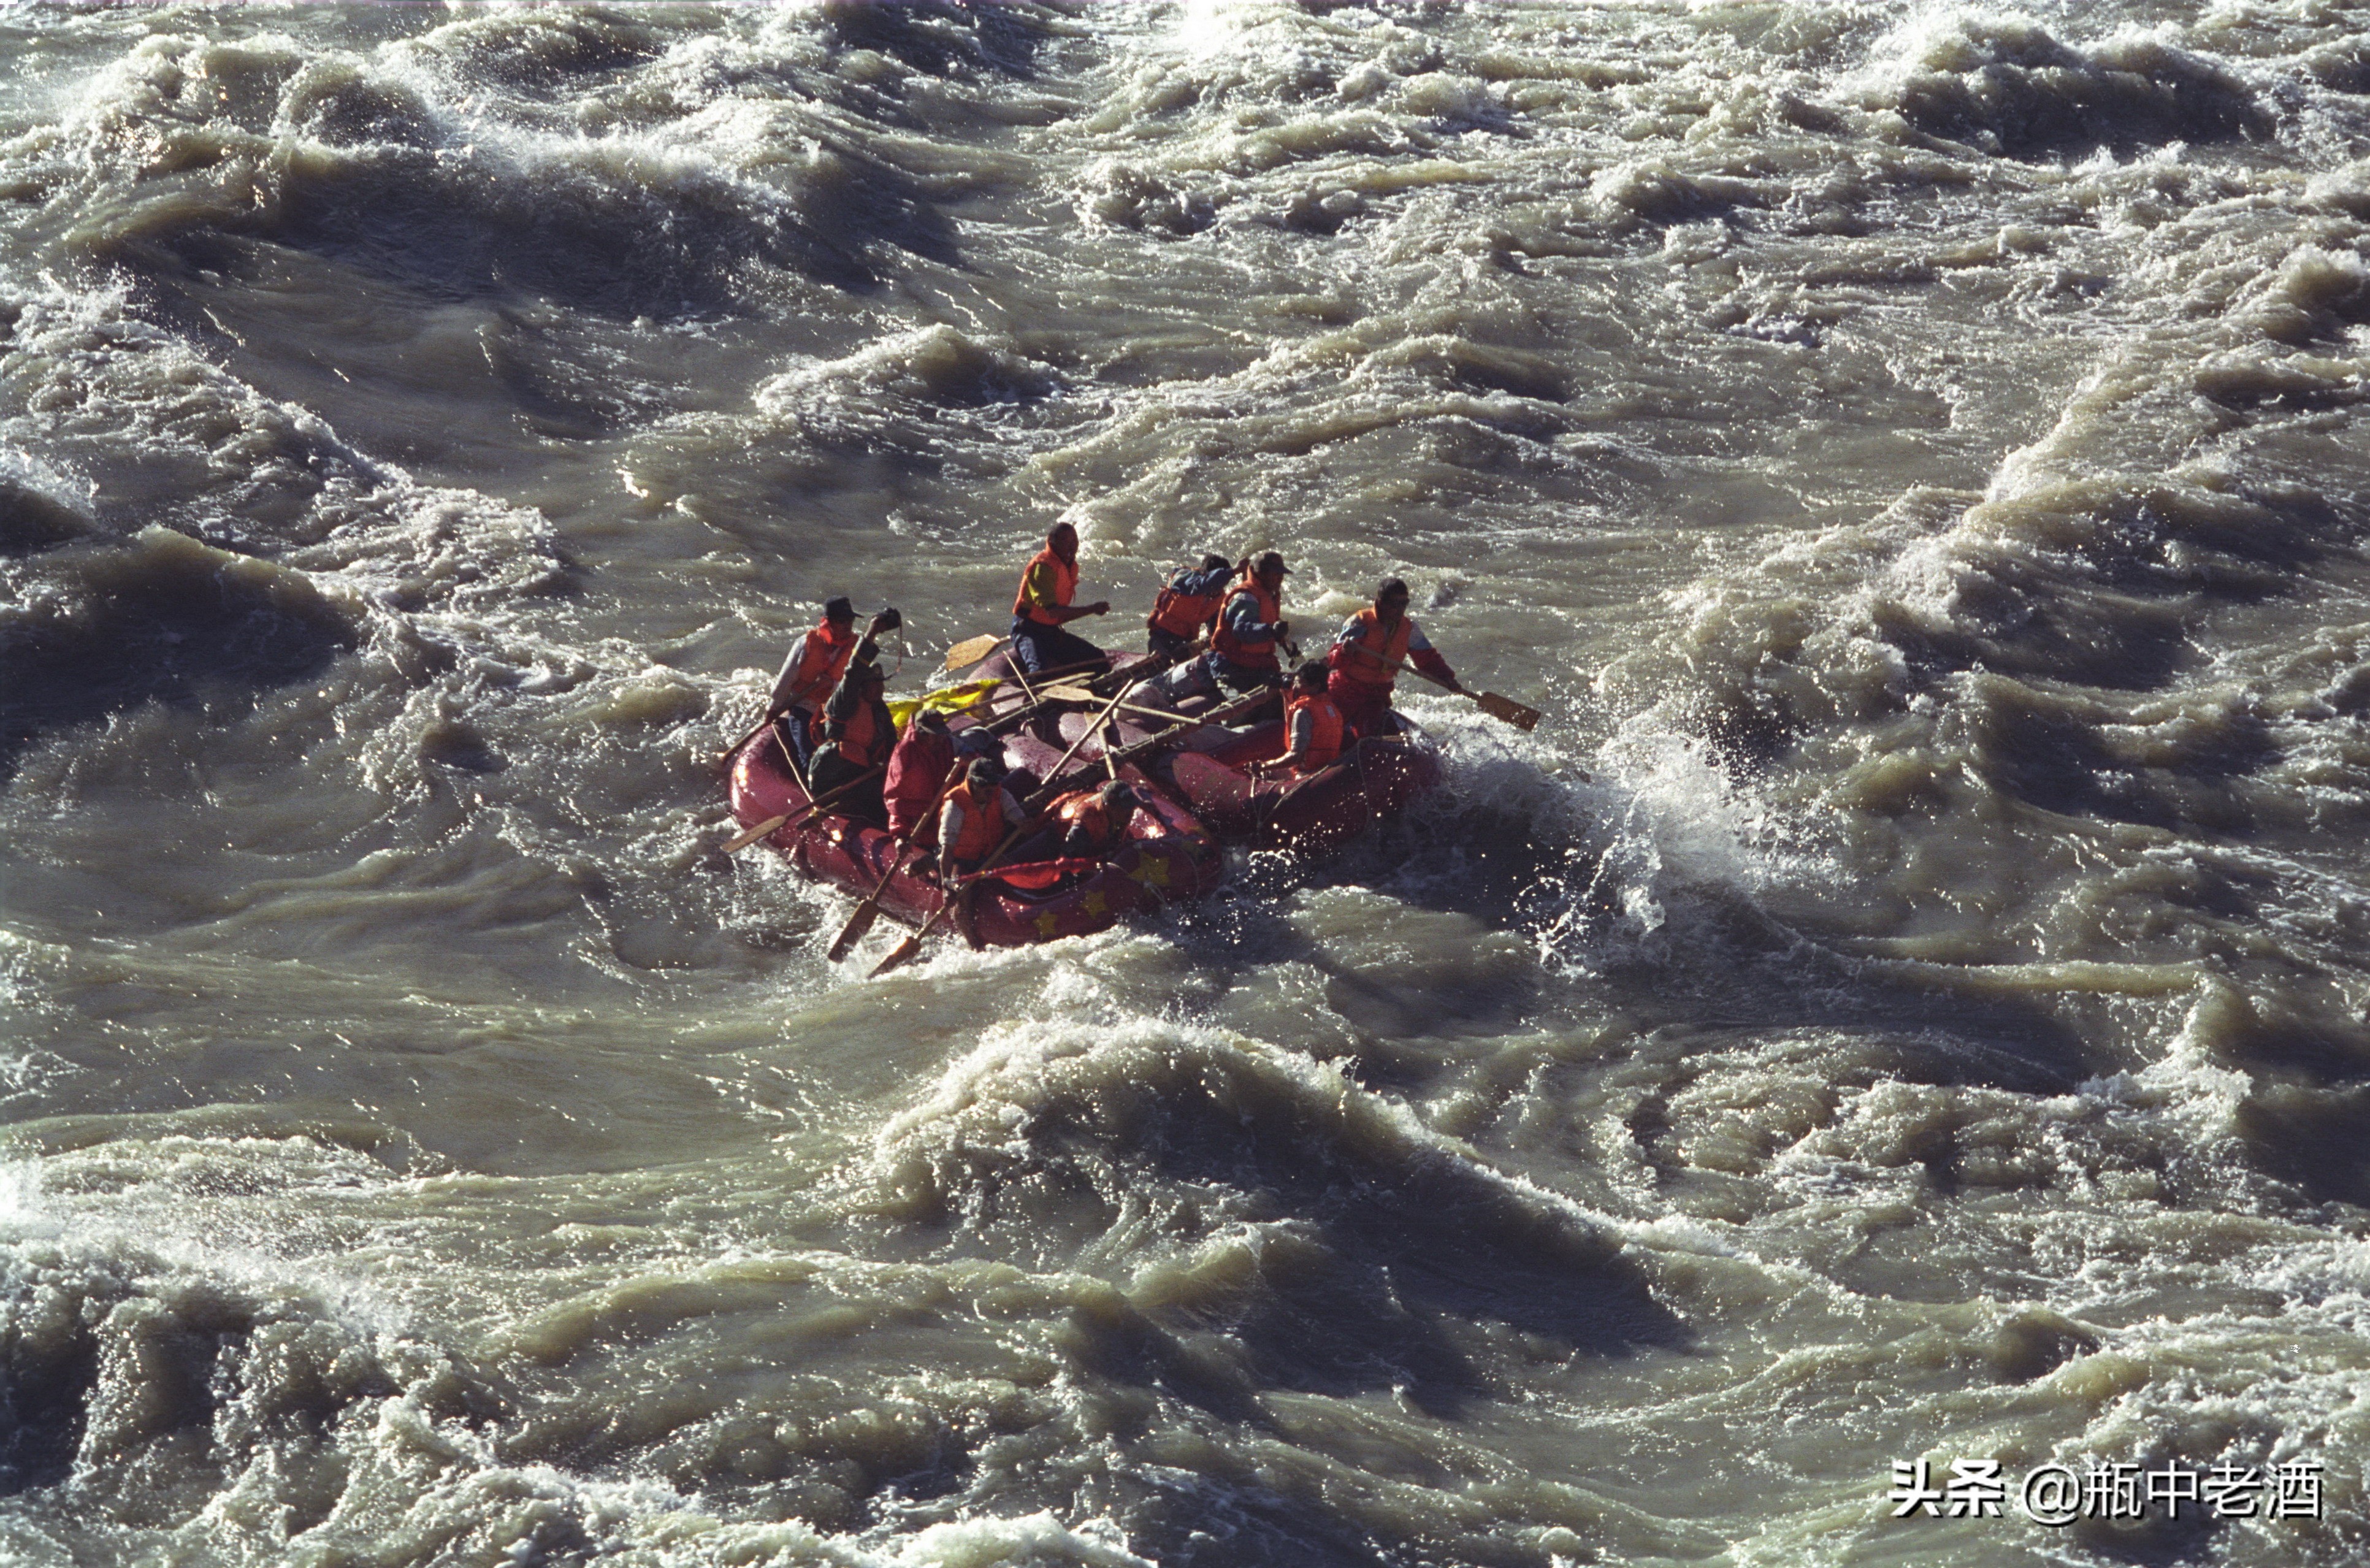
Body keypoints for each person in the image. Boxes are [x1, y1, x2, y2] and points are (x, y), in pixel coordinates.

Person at [768, 600, 898, 774]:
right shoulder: (806, 642)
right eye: (841, 621)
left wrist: (833, 684)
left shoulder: (857, 647)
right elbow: (786, 678)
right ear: (827, 621)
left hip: (839, 711)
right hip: (805, 706)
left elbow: (858, 684)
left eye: (850, 621)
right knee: (809, 758)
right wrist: (773, 708)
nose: (847, 626)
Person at [1326, 576, 1462, 736]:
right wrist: (1344, 651)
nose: (1399, 609)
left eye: (1404, 604)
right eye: (1394, 604)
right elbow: (1334, 661)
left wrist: (1447, 677)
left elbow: (1428, 659)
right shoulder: (1360, 622)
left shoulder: (1409, 629)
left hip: (1377, 695)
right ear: (1381, 602)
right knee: (1333, 731)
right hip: (1346, 690)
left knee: (1373, 731)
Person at [1010, 522, 1110, 677]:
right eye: (1066, 542)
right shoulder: (1043, 568)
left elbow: (1058, 616)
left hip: (1051, 632)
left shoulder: (1070, 566)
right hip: (1029, 630)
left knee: (1098, 660)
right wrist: (1092, 609)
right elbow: (1053, 612)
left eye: (1075, 541)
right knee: (1039, 674)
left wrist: (1092, 610)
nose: (1072, 547)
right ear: (1052, 542)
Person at [806, 660, 895, 827]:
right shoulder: (845, 703)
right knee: (862, 796)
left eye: (881, 685)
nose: (880, 690)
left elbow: (890, 741)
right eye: (874, 685)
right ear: (861, 687)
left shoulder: (880, 709)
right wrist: (871, 636)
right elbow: (851, 676)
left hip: (862, 769)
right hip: (833, 770)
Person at [1207, 551, 1291, 694]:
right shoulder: (1246, 597)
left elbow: (1268, 623)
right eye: (1276, 574)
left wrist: (1287, 643)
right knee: (1243, 707)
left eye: (1281, 574)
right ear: (1261, 574)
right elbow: (1241, 631)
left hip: (1255, 664)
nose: (1280, 578)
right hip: (1232, 665)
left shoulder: (1267, 595)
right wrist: (1271, 631)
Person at [935, 757, 1028, 882]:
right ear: (971, 782)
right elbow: (948, 849)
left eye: (993, 783)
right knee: (959, 885)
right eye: (983, 784)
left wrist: (1023, 822)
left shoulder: (1001, 795)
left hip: (988, 856)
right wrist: (946, 883)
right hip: (960, 859)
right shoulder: (956, 803)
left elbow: (1014, 813)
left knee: (1015, 872)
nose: (990, 789)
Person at [1250, 662, 1345, 777]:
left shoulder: (1303, 712)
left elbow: (1296, 757)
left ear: (1316, 686)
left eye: (1300, 683)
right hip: (1327, 772)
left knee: (1263, 774)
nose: (1294, 687)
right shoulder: (1333, 710)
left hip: (1306, 775)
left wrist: (1263, 766)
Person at [884, 709, 957, 839]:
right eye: (935, 735)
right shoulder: (905, 752)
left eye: (942, 734)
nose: (940, 739)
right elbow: (896, 797)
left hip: (942, 815)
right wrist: (899, 834)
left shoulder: (946, 745)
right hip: (916, 822)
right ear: (922, 734)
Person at [1145, 554, 1233, 660]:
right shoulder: (1185, 580)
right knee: (1162, 664)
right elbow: (1203, 585)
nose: (1219, 588)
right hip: (1162, 639)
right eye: (1219, 583)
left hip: (1186, 644)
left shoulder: (1217, 598)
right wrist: (1235, 571)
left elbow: (1215, 629)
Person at [1051, 778, 1136, 857]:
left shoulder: (1122, 813)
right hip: (1058, 842)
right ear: (1108, 807)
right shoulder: (1086, 821)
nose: (1130, 812)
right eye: (1123, 808)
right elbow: (1069, 856)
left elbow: (1117, 841)